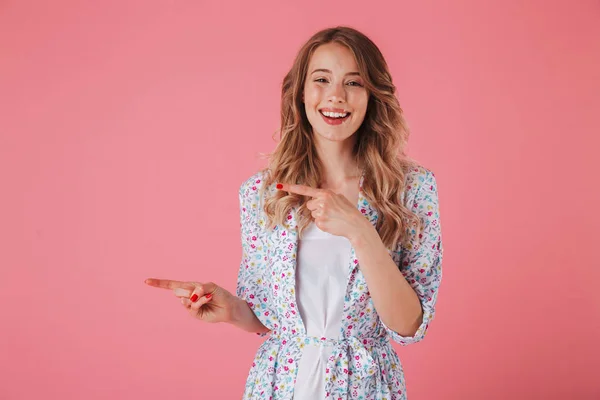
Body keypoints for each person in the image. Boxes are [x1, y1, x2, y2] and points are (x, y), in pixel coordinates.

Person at [145, 26, 443, 400]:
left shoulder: (410, 189)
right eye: (321, 79)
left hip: (365, 386)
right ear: (300, 92)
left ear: (372, 95)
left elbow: (409, 324)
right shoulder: (263, 193)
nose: (336, 96)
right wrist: (230, 309)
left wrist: (360, 231)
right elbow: (270, 317)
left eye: (354, 82)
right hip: (280, 384)